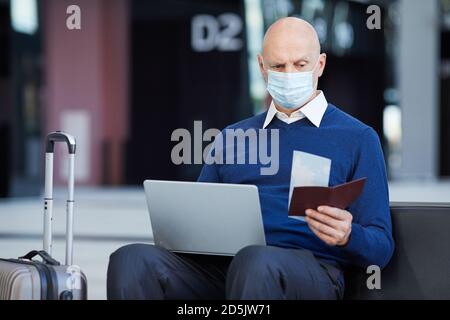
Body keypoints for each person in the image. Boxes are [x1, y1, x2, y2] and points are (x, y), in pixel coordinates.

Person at [107, 17, 394, 300]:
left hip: (311, 270)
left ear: (319, 65)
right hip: (229, 269)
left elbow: (381, 246)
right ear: (262, 67)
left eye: (300, 64)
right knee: (131, 260)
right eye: (278, 66)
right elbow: (196, 221)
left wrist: (348, 235)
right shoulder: (233, 136)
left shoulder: (357, 138)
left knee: (255, 263)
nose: (289, 73)